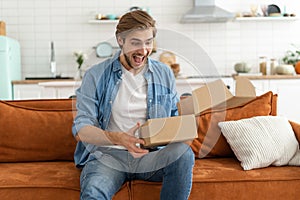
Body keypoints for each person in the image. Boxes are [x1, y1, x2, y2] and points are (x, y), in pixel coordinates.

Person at [72, 10, 195, 200]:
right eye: (135, 43)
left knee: (184, 153)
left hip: (151, 156)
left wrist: (183, 128)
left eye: (148, 42)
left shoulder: (164, 74)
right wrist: (119, 138)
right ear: (120, 40)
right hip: (109, 157)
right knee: (93, 191)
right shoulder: (95, 75)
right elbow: (82, 131)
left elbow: (171, 120)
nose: (143, 50)